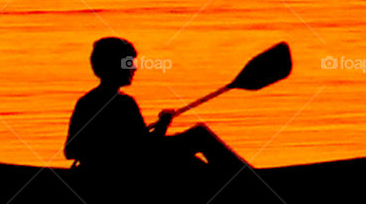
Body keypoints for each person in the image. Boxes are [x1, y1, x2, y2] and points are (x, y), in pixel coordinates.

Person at [64, 37, 246, 174]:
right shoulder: (124, 103)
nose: (134, 68)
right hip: (129, 172)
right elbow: (147, 150)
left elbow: (70, 149)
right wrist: (163, 125)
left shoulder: (85, 102)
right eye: (129, 63)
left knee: (190, 161)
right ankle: (245, 178)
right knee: (199, 136)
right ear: (114, 66)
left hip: (114, 169)